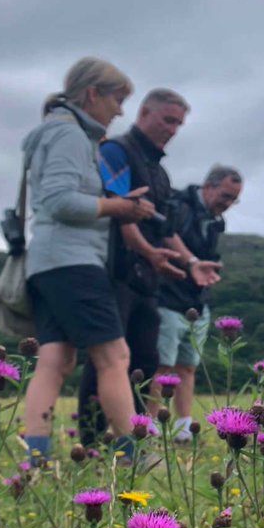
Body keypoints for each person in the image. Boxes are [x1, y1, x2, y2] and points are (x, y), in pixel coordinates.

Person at [20, 57, 156, 464]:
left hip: (46, 262)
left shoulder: (51, 132)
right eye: (117, 100)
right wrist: (120, 207)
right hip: (73, 261)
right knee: (115, 357)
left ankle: (35, 461)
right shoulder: (70, 136)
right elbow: (60, 200)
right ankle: (133, 457)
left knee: (55, 360)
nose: (120, 111)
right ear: (92, 94)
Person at [77, 88, 219, 446]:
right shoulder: (116, 150)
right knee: (106, 358)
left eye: (179, 124)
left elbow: (167, 231)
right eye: (167, 120)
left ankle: (134, 438)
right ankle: (92, 442)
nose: (173, 129)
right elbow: (121, 211)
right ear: (144, 112)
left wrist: (191, 262)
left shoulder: (161, 172)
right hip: (114, 271)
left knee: (146, 359)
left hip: (147, 280)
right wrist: (147, 251)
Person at [154, 164, 243, 442]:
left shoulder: (215, 221)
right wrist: (192, 262)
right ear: (208, 187)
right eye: (225, 196)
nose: (228, 204)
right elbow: (165, 234)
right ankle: (151, 426)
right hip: (167, 296)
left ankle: (183, 430)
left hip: (196, 300)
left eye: (234, 200)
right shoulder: (178, 206)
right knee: (162, 365)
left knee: (188, 365)